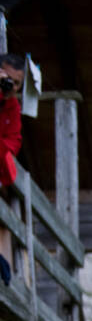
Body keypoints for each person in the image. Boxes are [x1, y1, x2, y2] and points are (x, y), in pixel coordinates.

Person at [0, 53, 25, 287]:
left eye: (17, 83)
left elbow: (14, 142)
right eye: (7, 79)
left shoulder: (13, 106)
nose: (12, 86)